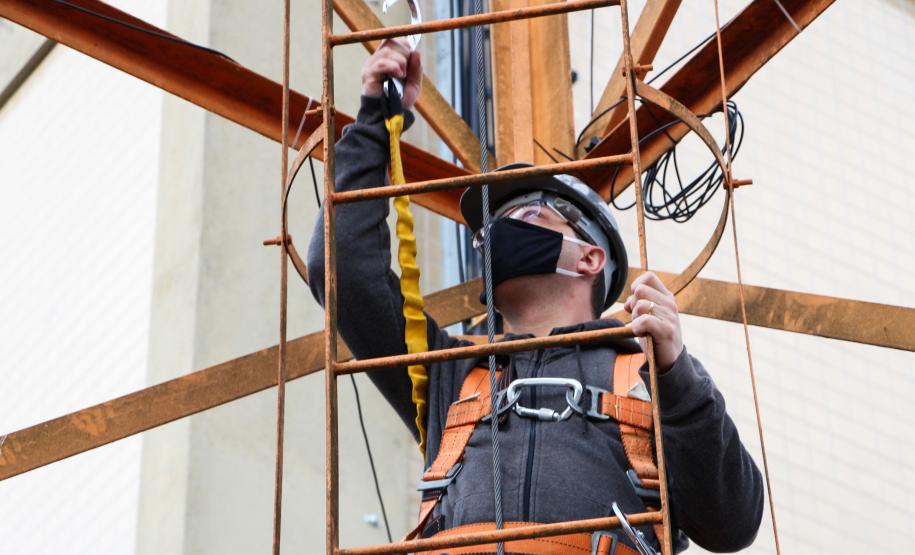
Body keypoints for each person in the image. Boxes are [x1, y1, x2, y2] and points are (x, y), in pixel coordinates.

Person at [307, 38, 763, 554]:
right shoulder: (449, 374)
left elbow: (733, 522)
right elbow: (340, 268)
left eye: (527, 215)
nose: (498, 234)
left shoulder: (647, 375)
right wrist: (376, 120)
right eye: (491, 230)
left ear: (588, 257)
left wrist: (678, 376)